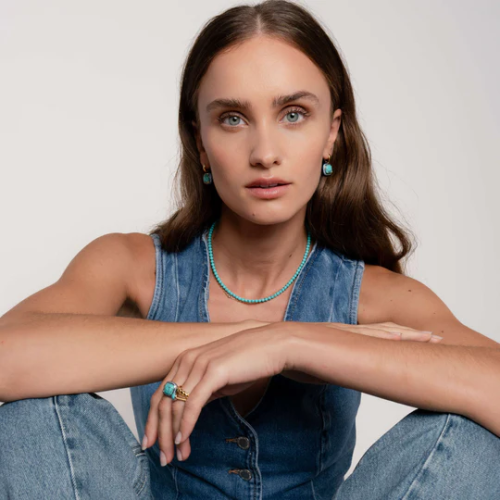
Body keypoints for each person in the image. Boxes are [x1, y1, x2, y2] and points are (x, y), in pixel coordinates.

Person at [1, 1, 499, 499]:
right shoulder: (134, 267)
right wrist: (248, 337)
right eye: (233, 119)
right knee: (35, 409)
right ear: (200, 141)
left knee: (469, 432)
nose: (264, 153)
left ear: (331, 133)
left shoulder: (370, 293)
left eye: (293, 114)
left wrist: (290, 344)